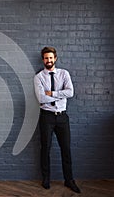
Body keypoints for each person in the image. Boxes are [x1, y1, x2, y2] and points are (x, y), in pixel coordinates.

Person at [34, 47, 81, 193]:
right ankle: (46, 178)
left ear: (55, 58)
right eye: (46, 58)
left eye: (51, 58)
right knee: (45, 148)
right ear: (43, 60)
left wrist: (52, 93)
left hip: (62, 117)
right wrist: (61, 95)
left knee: (66, 149)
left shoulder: (64, 74)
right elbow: (41, 98)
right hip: (46, 117)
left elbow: (71, 92)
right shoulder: (39, 77)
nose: (49, 60)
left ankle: (69, 180)